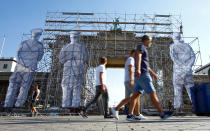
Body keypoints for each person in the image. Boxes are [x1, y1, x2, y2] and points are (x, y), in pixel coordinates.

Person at [126, 35, 174, 121]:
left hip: (139, 76)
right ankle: (162, 113)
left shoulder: (143, 49)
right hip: (143, 75)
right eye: (150, 41)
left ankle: (129, 115)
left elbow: (146, 65)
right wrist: (138, 69)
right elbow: (139, 57)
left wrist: (153, 73)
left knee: (135, 95)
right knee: (153, 93)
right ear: (147, 40)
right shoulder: (141, 47)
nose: (151, 43)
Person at [4, 28, 44, 108]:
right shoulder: (40, 45)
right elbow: (39, 58)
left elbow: (18, 54)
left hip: (20, 67)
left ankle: (7, 105)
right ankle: (18, 105)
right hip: (30, 68)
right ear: (39, 35)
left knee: (12, 86)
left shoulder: (23, 43)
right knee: (24, 88)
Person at [111, 50, 147, 120]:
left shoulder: (130, 59)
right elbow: (130, 69)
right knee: (136, 95)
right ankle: (131, 114)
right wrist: (132, 80)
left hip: (128, 81)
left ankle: (117, 109)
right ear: (133, 53)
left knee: (131, 97)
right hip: (130, 81)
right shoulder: (131, 59)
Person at [59, 31, 89, 113]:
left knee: (66, 87)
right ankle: (75, 106)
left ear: (70, 37)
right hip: (79, 68)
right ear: (79, 37)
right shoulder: (83, 47)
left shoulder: (65, 47)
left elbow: (61, 59)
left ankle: (65, 105)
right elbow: (86, 58)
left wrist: (69, 60)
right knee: (77, 88)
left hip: (67, 68)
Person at [170, 32, 195, 112]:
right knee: (191, 89)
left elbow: (173, 58)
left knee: (177, 89)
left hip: (178, 71)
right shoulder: (188, 46)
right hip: (188, 71)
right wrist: (188, 66)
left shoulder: (173, 46)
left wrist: (182, 66)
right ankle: (196, 106)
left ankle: (178, 108)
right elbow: (193, 56)